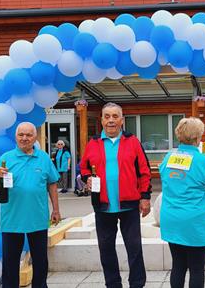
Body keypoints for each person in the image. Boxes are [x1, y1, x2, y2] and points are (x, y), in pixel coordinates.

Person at [80, 102, 152, 288]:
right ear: (102, 120)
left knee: (134, 249)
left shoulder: (133, 141)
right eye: (107, 116)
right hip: (102, 205)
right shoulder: (93, 143)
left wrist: (145, 197)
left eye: (115, 116)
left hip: (129, 205)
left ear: (122, 120)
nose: (111, 120)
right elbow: (84, 168)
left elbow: (144, 171)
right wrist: (87, 178)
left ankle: (137, 284)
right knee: (106, 249)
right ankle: (113, 284)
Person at [0, 122, 61, 288]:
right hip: (12, 220)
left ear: (35, 137)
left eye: (28, 135)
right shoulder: (6, 158)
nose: (24, 138)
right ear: (16, 137)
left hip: (38, 218)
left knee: (41, 261)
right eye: (21, 135)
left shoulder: (43, 157)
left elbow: (52, 184)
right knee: (11, 263)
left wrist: (56, 210)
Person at [159, 117, 205, 288]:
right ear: (197, 138)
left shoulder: (168, 157)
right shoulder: (203, 160)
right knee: (196, 268)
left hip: (171, 217)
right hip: (193, 220)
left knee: (178, 265)